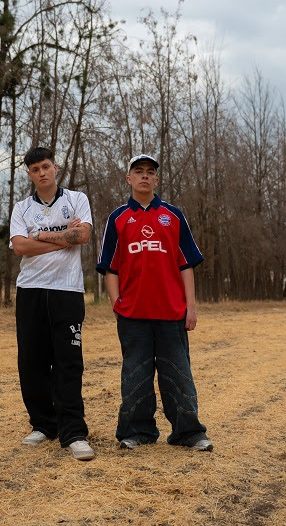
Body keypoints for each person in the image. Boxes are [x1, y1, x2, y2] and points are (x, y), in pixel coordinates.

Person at [96, 153, 213, 452]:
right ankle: (137, 431)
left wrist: (191, 307)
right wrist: (116, 304)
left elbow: (186, 264)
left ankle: (189, 432)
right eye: (139, 171)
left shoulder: (173, 216)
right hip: (133, 314)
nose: (144, 176)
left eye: (150, 172)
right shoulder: (118, 218)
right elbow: (111, 268)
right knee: (136, 375)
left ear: (156, 179)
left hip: (171, 312)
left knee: (178, 374)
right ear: (129, 179)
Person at [9, 147, 95, 461]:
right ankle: (44, 424)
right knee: (31, 362)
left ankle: (73, 432)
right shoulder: (21, 207)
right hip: (30, 291)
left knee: (68, 363)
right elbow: (20, 246)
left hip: (67, 291)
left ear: (55, 167)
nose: (42, 173)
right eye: (35, 169)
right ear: (29, 174)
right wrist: (62, 234)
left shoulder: (77, 199)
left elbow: (83, 236)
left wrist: (42, 237)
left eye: (46, 166)